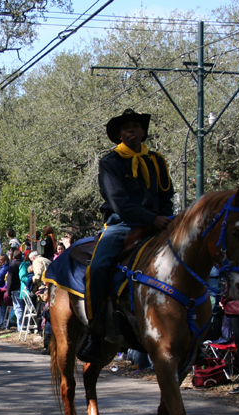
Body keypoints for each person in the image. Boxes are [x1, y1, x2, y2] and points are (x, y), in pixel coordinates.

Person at [84, 109, 174, 359]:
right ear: (119, 136)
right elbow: (118, 201)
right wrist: (151, 218)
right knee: (97, 268)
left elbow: (166, 194)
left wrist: (165, 218)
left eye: (135, 126)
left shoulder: (157, 160)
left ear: (143, 132)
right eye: (125, 128)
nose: (130, 131)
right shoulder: (110, 162)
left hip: (158, 223)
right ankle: (94, 328)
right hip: (122, 224)